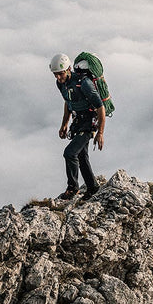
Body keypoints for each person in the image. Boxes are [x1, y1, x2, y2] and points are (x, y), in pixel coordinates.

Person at [50, 53, 106, 200]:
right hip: (77, 122)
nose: (58, 78)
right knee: (81, 156)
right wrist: (64, 124)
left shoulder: (84, 83)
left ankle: (73, 188)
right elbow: (68, 102)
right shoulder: (61, 84)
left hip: (89, 123)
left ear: (68, 69)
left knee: (70, 153)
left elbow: (100, 107)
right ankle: (92, 187)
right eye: (55, 75)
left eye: (60, 74)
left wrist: (100, 133)